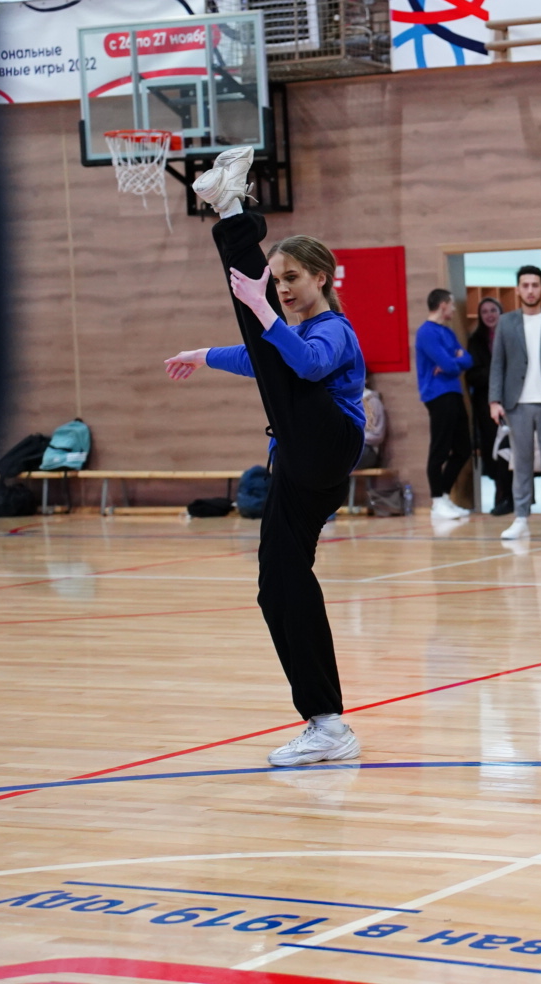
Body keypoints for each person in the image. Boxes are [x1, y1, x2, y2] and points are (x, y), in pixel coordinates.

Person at [163, 145, 366, 767]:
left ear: (321, 279)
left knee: (281, 366)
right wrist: (201, 354)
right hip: (297, 459)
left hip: (327, 441)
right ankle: (326, 722)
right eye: (275, 281)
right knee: (277, 583)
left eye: (290, 280)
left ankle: (231, 209)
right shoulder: (284, 331)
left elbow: (302, 366)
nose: (280, 290)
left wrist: (257, 309)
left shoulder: (334, 330)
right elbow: (260, 360)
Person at [490, 265, 541, 540]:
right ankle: (521, 518)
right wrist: (494, 400)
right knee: (521, 463)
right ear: (517, 289)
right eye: (524, 285)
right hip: (517, 404)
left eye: (534, 285)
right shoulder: (506, 322)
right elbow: (497, 364)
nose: (530, 290)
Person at [416, 289, 473, 520]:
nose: (453, 308)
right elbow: (449, 365)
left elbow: (466, 360)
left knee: (463, 449)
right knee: (440, 448)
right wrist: (454, 361)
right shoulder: (426, 333)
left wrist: (454, 361)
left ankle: (445, 496)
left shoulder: (447, 333)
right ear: (442, 305)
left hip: (454, 392)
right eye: (451, 304)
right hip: (437, 395)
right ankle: (437, 500)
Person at [466, 297, 513, 514]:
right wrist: (497, 375)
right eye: (484, 311)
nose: (489, 314)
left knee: (515, 451)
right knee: (495, 452)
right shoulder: (475, 341)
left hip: (513, 401)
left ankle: (516, 498)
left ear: (500, 311)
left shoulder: (511, 334)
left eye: (493, 310)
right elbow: (473, 375)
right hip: (487, 406)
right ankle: (500, 495)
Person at [355, 384, 387, 469]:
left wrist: (355, 438)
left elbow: (377, 435)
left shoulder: (373, 402)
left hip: (367, 449)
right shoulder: (343, 400)